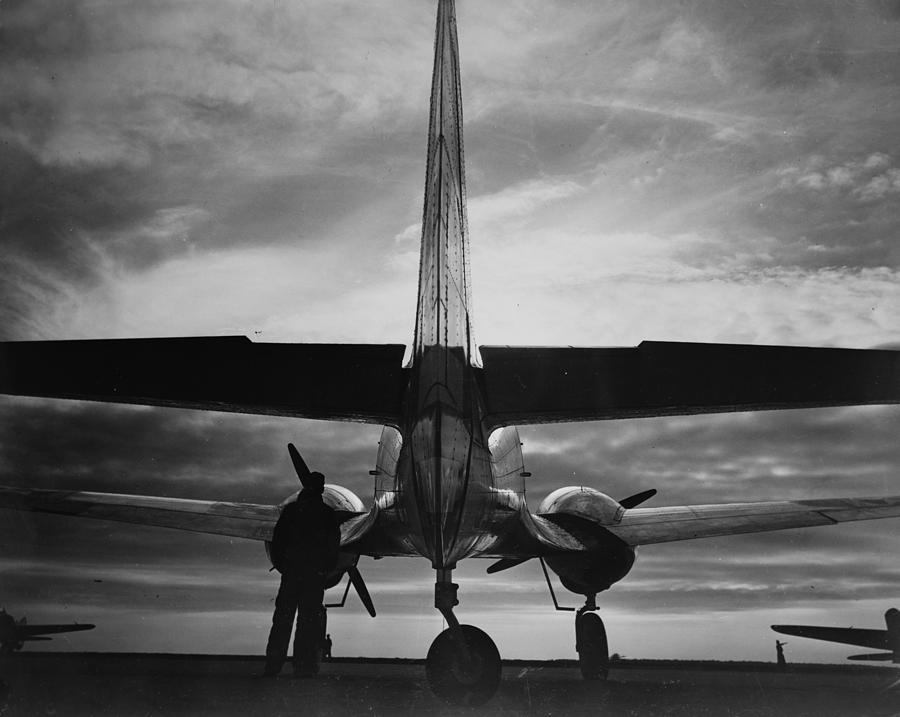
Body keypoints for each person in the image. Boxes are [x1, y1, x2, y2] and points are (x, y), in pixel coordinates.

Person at [262, 472, 340, 678]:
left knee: (282, 620)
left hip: (292, 574)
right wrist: (325, 569)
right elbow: (334, 546)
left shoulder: (291, 511)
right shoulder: (327, 514)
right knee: (308, 623)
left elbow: (277, 541)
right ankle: (304, 667)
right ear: (322, 489)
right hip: (315, 577)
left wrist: (284, 567)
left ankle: (273, 665)